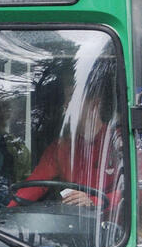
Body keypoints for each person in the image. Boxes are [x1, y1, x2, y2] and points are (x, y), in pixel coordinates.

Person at [13, 73, 122, 209]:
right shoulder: (61, 147)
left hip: (117, 226)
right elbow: (33, 186)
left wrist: (94, 201)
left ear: (94, 103)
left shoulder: (119, 141)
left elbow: (138, 191)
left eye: (71, 98)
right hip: (74, 224)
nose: (65, 105)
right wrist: (7, 214)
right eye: (65, 100)